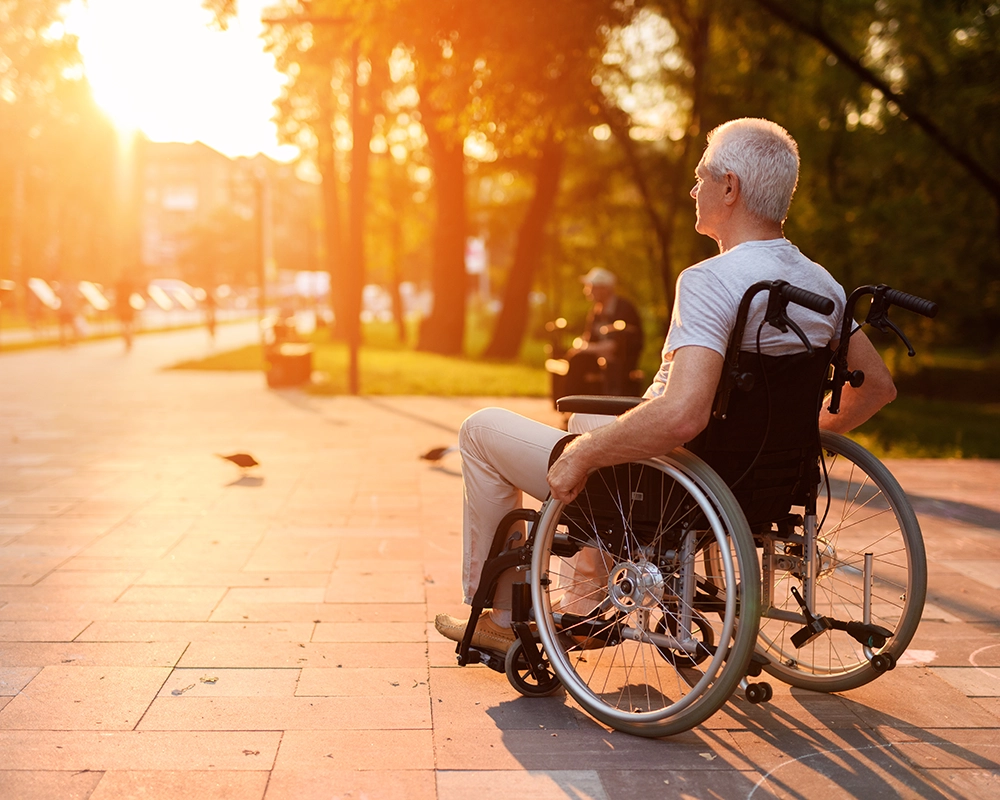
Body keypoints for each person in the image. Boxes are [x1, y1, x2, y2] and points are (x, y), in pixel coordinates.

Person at [434, 117, 897, 654]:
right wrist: (796, 436)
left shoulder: (710, 281)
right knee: (587, 419)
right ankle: (583, 606)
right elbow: (877, 386)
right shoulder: (823, 285)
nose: (694, 188)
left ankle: (503, 615)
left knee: (480, 430)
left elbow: (682, 416)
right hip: (755, 484)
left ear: (731, 187)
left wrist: (584, 456)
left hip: (668, 482)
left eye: (702, 176)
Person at [548, 267, 645, 399]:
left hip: (621, 360)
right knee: (576, 357)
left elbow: (616, 345)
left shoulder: (624, 308)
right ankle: (571, 403)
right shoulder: (596, 311)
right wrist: (584, 347)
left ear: (605, 289)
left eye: (592, 287)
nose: (587, 291)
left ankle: (571, 403)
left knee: (578, 359)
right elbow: (589, 338)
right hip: (599, 357)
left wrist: (587, 348)